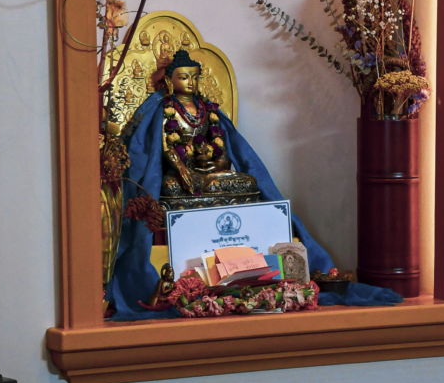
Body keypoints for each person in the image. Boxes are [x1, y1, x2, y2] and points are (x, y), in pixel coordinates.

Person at [110, 49, 335, 320]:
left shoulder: (208, 110)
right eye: (183, 77)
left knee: (245, 181)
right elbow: (166, 148)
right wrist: (181, 167)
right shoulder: (164, 110)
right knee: (170, 188)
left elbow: (225, 150)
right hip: (180, 176)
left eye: (194, 77)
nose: (190, 83)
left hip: (211, 173)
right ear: (170, 81)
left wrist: (214, 165)